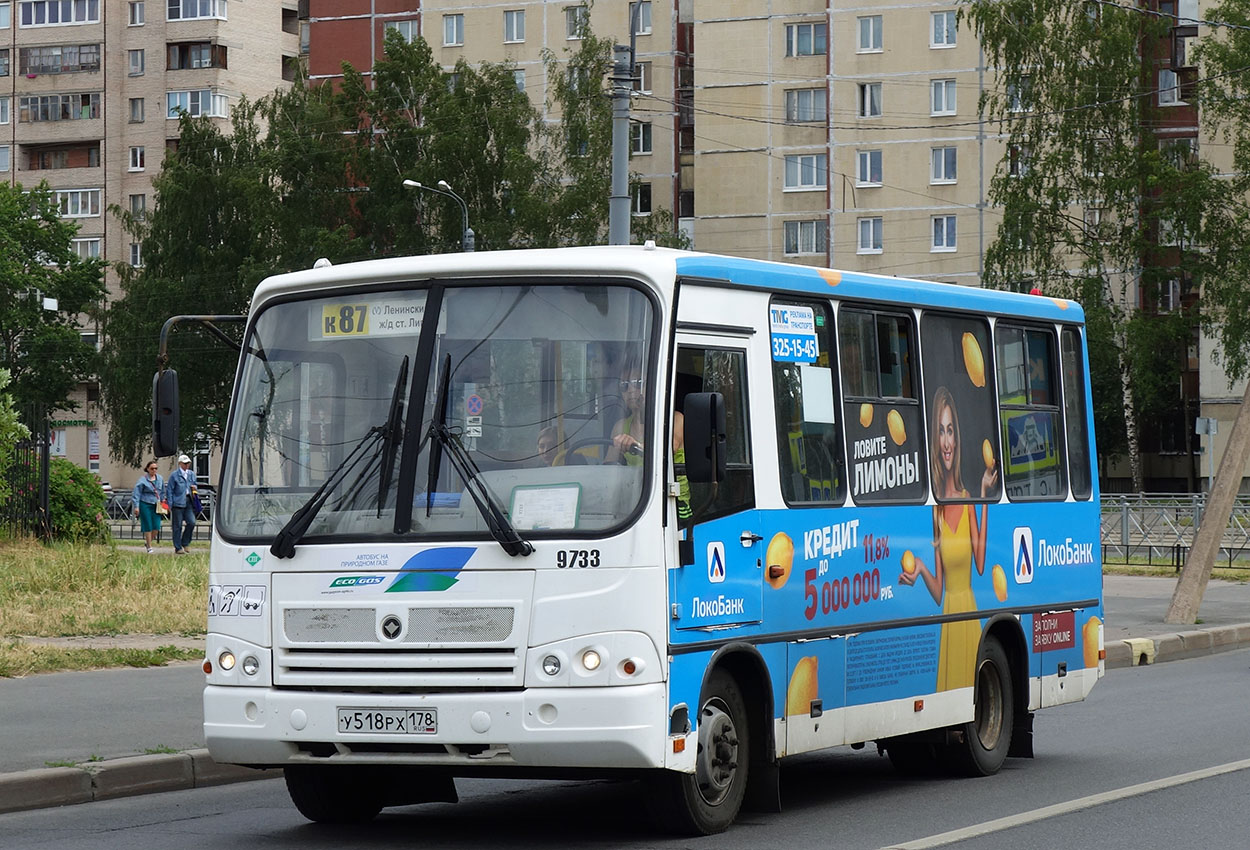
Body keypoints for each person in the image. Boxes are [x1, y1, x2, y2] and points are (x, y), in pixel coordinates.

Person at [899, 386, 998, 691]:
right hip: (948, 619)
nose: (946, 441)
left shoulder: (969, 499)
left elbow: (980, 564)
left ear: (957, 438)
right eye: (940, 431)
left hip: (969, 614)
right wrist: (919, 569)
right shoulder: (936, 511)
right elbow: (939, 590)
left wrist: (983, 497)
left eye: (950, 430)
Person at [132, 460, 165, 554]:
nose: (154, 470)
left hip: (156, 504)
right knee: (148, 525)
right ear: (147, 469)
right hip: (145, 503)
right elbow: (136, 493)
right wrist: (136, 506)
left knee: (156, 526)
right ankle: (149, 547)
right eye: (152, 468)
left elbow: (162, 491)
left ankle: (148, 542)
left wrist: (163, 502)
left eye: (156, 468)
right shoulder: (142, 480)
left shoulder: (160, 478)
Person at [167, 453, 197, 554]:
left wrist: (195, 489)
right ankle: (178, 547)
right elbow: (170, 490)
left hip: (189, 501)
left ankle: (185, 542)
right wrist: (170, 504)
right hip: (177, 503)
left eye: (188, 463)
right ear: (180, 464)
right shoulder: (174, 475)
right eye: (185, 463)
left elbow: (195, 486)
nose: (187, 465)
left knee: (192, 522)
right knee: (177, 526)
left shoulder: (191, 474)